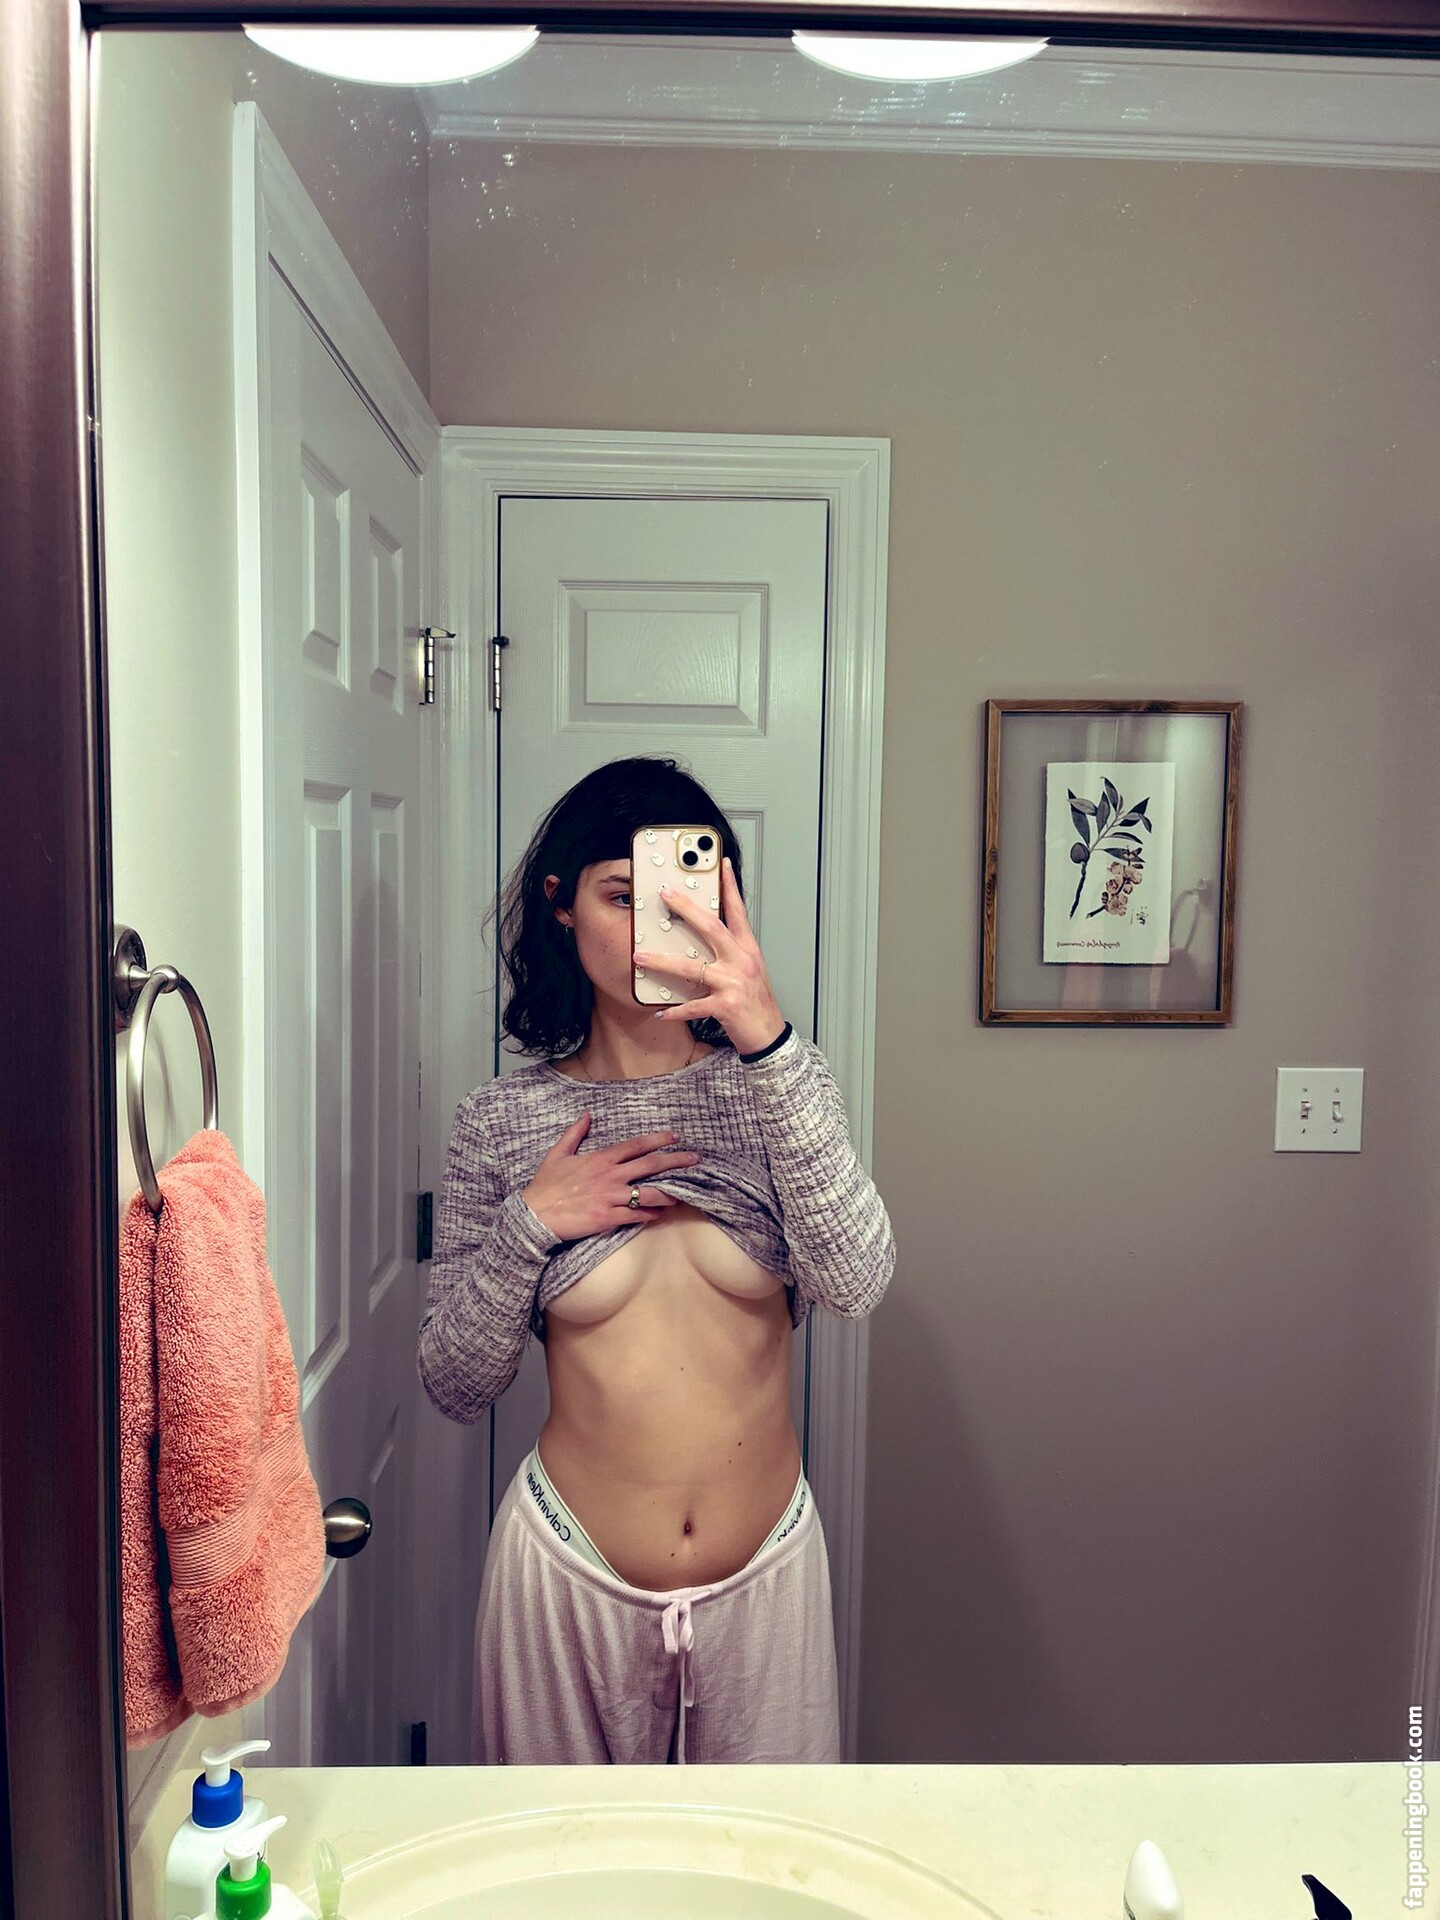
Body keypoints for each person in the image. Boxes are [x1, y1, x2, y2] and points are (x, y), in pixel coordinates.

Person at [417, 755, 895, 1764]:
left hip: (766, 1577)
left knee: (766, 1852)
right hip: (566, 1576)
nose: (649, 929)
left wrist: (768, 1041)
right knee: (559, 1855)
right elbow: (455, 1383)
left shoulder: (779, 1088)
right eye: (619, 895)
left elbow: (856, 1281)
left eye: (678, 898)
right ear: (560, 905)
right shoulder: (500, 1122)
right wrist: (533, 1224)